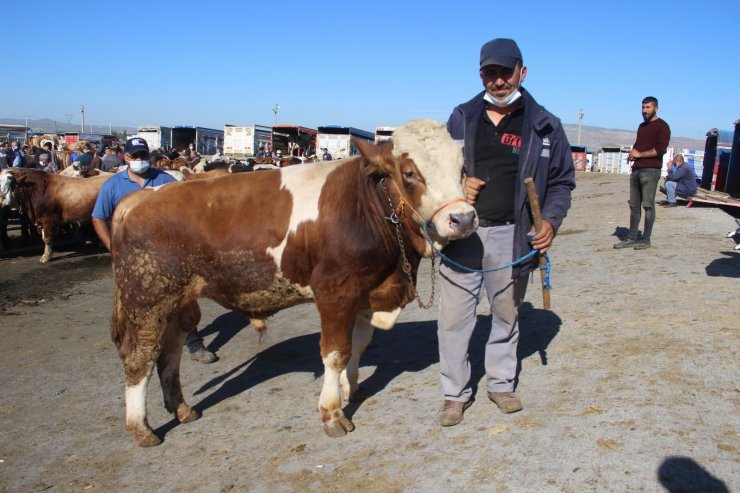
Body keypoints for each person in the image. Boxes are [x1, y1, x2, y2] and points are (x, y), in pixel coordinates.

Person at [436, 38, 575, 427]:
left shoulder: (545, 125)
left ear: (522, 72)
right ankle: (454, 394)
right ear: (480, 74)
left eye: (505, 72)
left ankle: (500, 383)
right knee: (454, 320)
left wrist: (549, 220)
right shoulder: (461, 117)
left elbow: (562, 182)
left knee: (506, 314)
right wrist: (457, 188)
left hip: (514, 236)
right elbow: (439, 174)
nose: (497, 80)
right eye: (489, 73)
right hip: (462, 235)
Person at [92, 137, 217, 364]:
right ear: (126, 158)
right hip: (131, 256)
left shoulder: (166, 180)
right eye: (135, 156)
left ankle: (195, 344)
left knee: (183, 299)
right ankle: (139, 346)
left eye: (143, 155)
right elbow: (98, 218)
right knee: (135, 303)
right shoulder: (113, 185)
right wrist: (112, 247)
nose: (140, 160)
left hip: (166, 254)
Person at [613, 97, 671, 250]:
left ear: (656, 108)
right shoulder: (642, 126)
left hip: (651, 171)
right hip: (636, 170)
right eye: (643, 107)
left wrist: (640, 155)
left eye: (648, 107)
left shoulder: (662, 126)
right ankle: (631, 238)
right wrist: (633, 155)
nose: (645, 110)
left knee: (648, 206)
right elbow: (639, 147)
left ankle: (646, 240)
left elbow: (660, 150)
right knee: (634, 206)